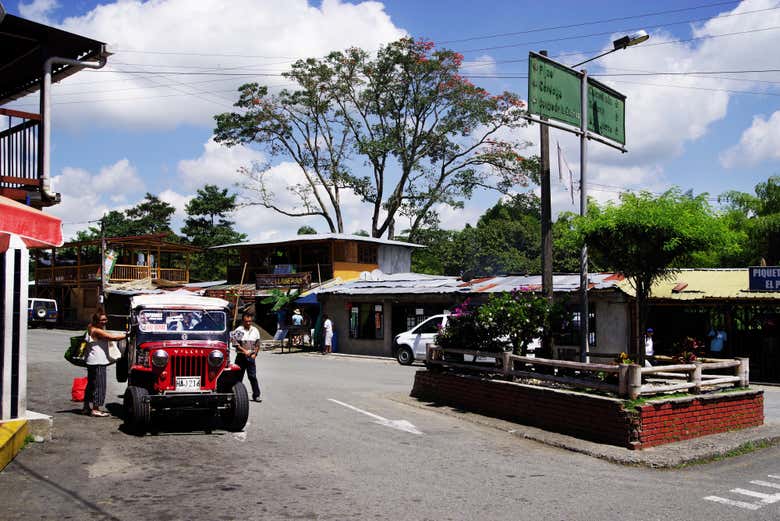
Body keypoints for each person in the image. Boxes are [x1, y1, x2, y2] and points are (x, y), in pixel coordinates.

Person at [83, 311, 127, 417]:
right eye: (102, 320)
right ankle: (96, 409)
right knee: (99, 385)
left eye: (105, 319)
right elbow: (113, 338)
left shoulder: (90, 327)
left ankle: (86, 407)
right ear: (96, 321)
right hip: (98, 361)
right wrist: (128, 334)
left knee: (91, 385)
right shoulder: (96, 331)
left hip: (92, 360)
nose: (104, 322)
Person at [231, 312, 262, 402]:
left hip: (251, 358)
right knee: (238, 377)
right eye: (246, 321)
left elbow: (257, 344)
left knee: (252, 377)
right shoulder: (239, 330)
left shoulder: (255, 330)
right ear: (243, 321)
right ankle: (235, 395)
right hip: (241, 357)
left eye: (250, 321)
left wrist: (255, 354)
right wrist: (244, 351)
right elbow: (235, 343)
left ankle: (256, 395)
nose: (248, 323)